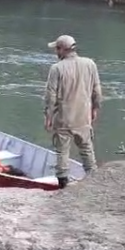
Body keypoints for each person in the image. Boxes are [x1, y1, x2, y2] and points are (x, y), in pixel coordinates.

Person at [44, 35, 102, 189]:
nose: (56, 51)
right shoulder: (90, 64)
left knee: (62, 151)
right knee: (87, 149)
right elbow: (97, 91)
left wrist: (48, 116)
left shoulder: (56, 68)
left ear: (62, 49)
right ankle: (93, 180)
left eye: (57, 48)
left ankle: (63, 183)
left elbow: (51, 96)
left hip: (63, 118)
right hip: (83, 117)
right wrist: (95, 109)